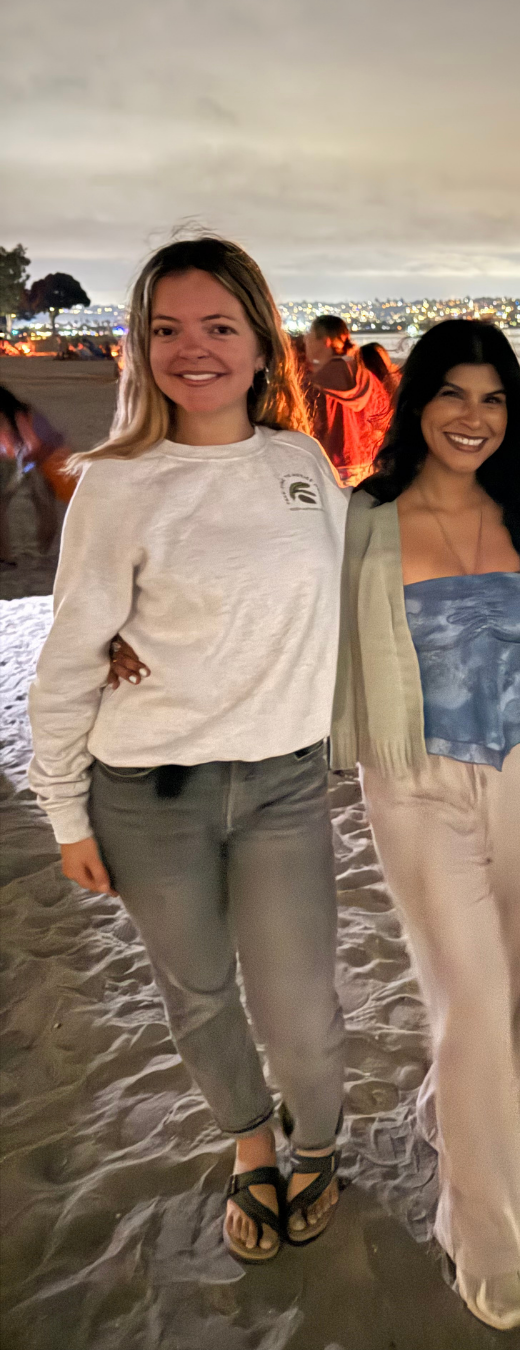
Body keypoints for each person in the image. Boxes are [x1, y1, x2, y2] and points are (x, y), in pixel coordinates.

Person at [28, 235, 349, 1264]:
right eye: (167, 329)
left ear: (263, 346)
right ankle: (252, 1146)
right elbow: (71, 655)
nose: (193, 349)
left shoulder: (300, 464)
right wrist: (64, 810)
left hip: (286, 787)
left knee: (299, 1001)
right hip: (147, 795)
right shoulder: (115, 482)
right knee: (199, 989)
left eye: (220, 327)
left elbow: (362, 593)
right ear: (139, 347)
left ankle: (319, 1143)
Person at [332, 319, 520, 1329]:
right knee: (467, 996)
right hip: (414, 780)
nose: (473, 417)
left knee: (519, 983)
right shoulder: (364, 519)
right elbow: (284, 615)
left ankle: (450, 1116)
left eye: (494, 400)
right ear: (416, 402)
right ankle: (484, 1234)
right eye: (454, 395)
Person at [303, 315, 391, 485]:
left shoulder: (313, 383)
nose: (307, 342)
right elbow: (384, 419)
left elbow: (301, 425)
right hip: (366, 467)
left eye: (310, 336)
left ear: (326, 342)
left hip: (328, 466)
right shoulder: (369, 379)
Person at [0, 384, 71, 564]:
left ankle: (10, 553)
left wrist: (22, 464)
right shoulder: (22, 413)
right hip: (35, 460)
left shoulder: (16, 417)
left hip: (37, 462)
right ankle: (40, 549)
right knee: (43, 506)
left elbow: (32, 446)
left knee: (41, 504)